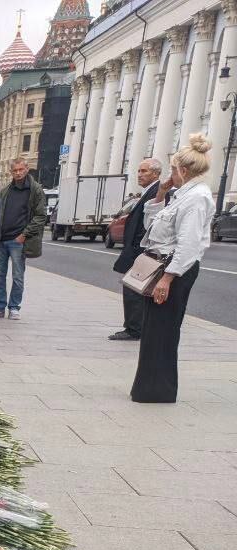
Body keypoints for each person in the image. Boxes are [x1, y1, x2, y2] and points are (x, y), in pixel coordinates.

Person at [131, 134, 215, 404]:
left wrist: (166, 279)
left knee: (164, 330)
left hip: (173, 271)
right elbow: (151, 224)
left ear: (184, 170)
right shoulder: (181, 195)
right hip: (163, 265)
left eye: (172, 169)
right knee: (154, 329)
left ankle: (159, 390)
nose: (170, 174)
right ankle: (148, 388)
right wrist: (162, 192)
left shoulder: (197, 198)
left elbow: (189, 245)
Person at [110, 158, 163, 341]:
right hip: (136, 249)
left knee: (134, 289)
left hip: (139, 251)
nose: (139, 175)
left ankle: (134, 329)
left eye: (144, 171)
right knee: (135, 289)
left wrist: (138, 249)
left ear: (155, 174)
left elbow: (148, 224)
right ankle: (137, 326)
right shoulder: (150, 191)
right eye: (139, 171)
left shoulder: (157, 192)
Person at [0, 157, 48, 321]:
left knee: (17, 276)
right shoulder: (6, 190)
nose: (18, 173)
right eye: (14, 170)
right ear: (11, 172)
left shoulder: (35, 190)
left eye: (20, 170)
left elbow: (40, 216)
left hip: (18, 240)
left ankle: (14, 307)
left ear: (26, 169)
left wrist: (24, 235)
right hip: (1, 241)